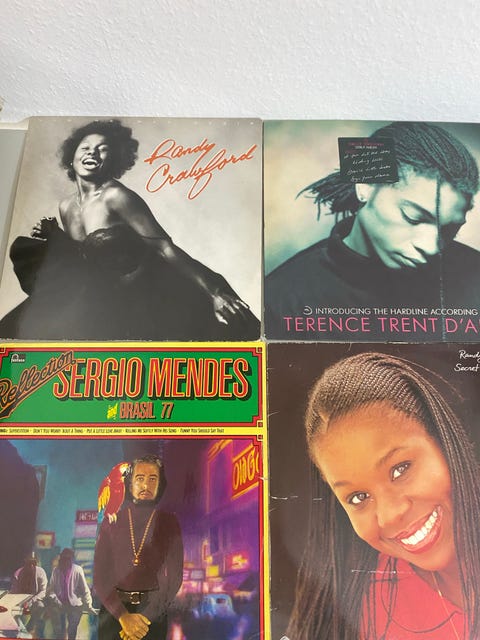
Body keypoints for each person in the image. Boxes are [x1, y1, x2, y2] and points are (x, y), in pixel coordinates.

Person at [0, 119, 259, 340]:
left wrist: (214, 292)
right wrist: (54, 237)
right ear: (72, 156)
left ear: (113, 159)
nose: (93, 153)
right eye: (86, 148)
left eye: (102, 149)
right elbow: (81, 260)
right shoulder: (66, 206)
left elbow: (165, 248)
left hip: (148, 294)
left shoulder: (117, 196)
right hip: (104, 300)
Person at [287, 352, 480, 640]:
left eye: (400, 469)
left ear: (442, 440)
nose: (391, 515)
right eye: (358, 497)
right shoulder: (369, 609)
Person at [265, 121, 480, 340]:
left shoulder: (475, 275)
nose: (431, 247)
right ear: (365, 185)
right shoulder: (281, 299)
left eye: (450, 230)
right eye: (413, 217)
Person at [93, 454, 183, 640]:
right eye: (139, 479)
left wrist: (144, 618)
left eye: (153, 479)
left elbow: (174, 578)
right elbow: (100, 577)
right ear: (129, 484)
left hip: (153, 616)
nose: (146, 485)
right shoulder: (112, 520)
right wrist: (124, 617)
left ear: (160, 484)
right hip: (114, 616)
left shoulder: (169, 522)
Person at [46, 547, 95, 640]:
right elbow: (51, 590)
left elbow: (85, 590)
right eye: (64, 558)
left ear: (71, 559)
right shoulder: (56, 571)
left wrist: (89, 605)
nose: (65, 561)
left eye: (68, 559)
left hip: (75, 605)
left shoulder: (77, 570)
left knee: (72, 629)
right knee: (58, 629)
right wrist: (57, 601)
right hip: (60, 604)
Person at [11, 553, 47, 637]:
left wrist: (31, 601)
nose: (31, 566)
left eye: (33, 563)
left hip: (34, 600)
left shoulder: (40, 572)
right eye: (29, 563)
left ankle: (29, 628)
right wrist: (19, 602)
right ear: (25, 563)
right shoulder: (18, 573)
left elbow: (43, 591)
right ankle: (18, 630)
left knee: (40, 606)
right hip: (20, 600)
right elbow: (14, 591)